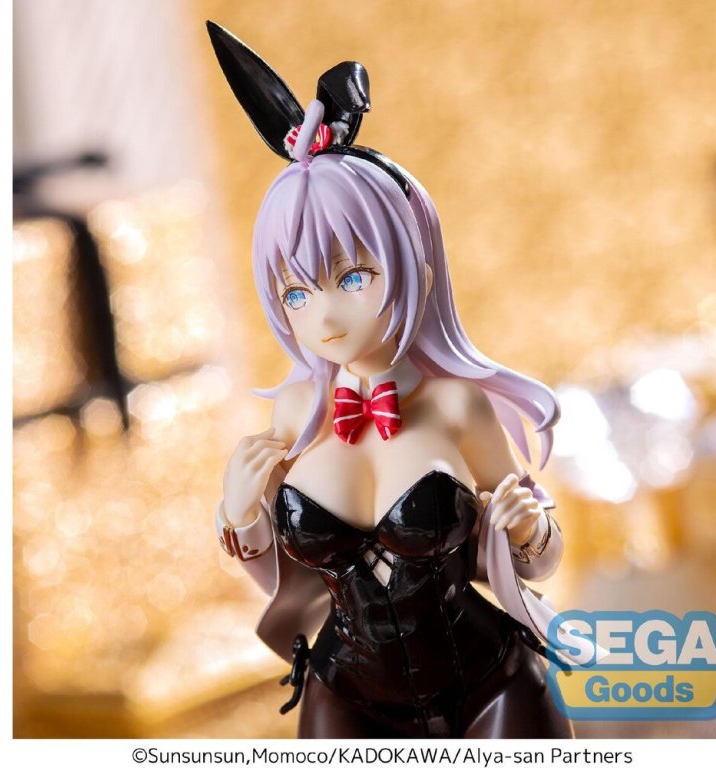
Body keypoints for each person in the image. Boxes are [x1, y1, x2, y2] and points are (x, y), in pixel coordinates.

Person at [207, 21, 590, 738]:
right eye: (296, 292)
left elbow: (537, 562)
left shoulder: (455, 405)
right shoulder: (297, 413)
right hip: (345, 688)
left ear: (415, 263)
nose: (324, 316)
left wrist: (529, 528)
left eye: (353, 277)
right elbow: (274, 572)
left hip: (490, 680)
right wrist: (237, 512)